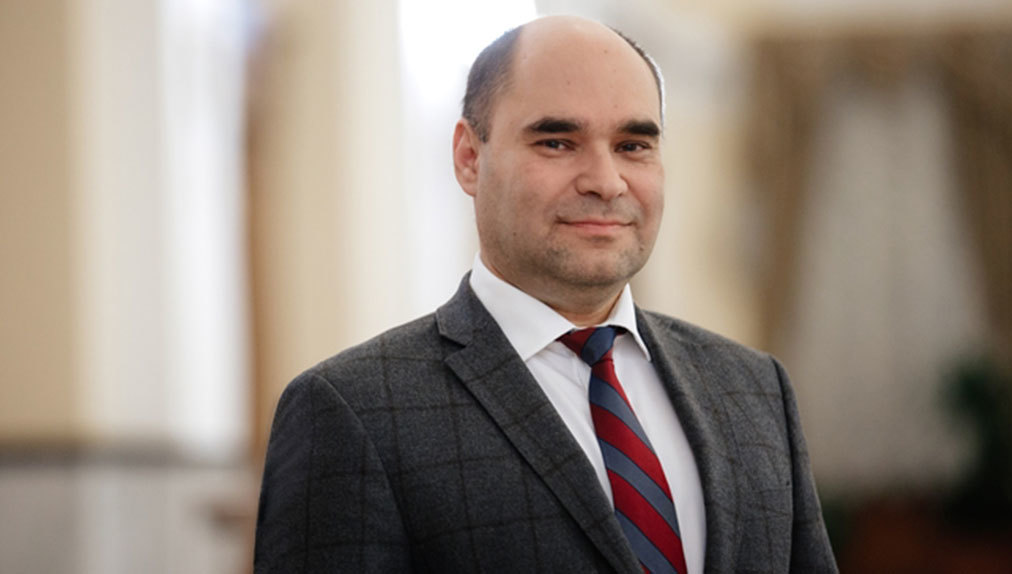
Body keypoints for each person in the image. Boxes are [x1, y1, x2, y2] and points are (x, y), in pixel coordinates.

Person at [255, 15, 837, 574]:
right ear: (469, 158)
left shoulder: (754, 389)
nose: (605, 181)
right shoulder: (352, 412)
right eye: (557, 142)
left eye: (633, 145)